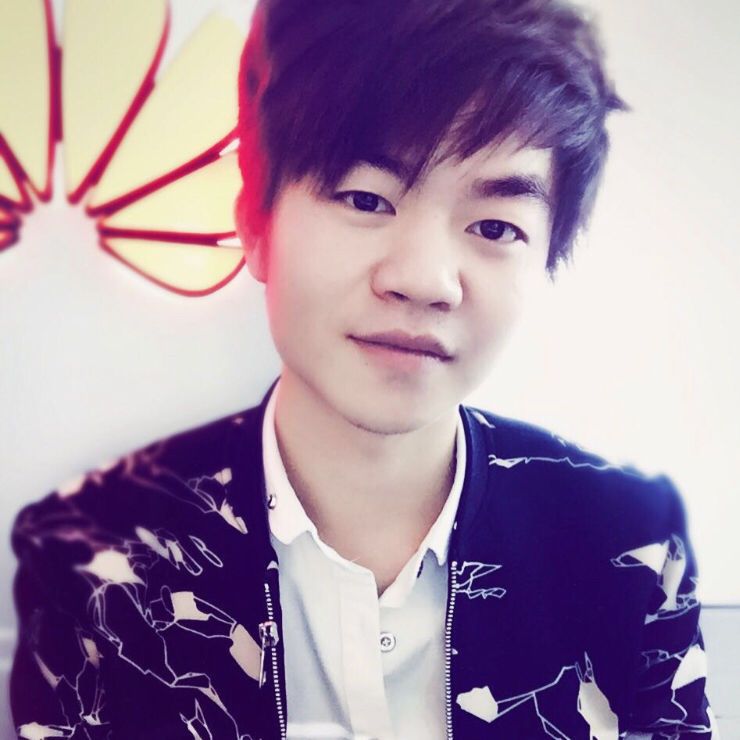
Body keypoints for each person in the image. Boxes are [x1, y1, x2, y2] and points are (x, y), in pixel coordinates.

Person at [9, 0, 716, 738]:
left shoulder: (628, 548)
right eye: (365, 197)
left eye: (495, 226)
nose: (424, 280)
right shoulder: (90, 553)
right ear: (255, 224)